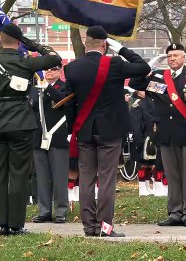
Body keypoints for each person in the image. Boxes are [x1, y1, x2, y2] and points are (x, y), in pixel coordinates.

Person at [65, 26, 149, 237]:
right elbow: (143, 66)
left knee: (86, 179)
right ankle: (104, 226)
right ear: (104, 44)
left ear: (86, 43)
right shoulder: (115, 64)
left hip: (84, 130)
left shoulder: (72, 68)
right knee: (107, 179)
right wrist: (121, 49)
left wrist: (71, 129)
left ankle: (89, 226)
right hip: (110, 130)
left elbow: (69, 103)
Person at [0, 23, 62, 236]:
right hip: (21, 122)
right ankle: (16, 223)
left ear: (0, 40)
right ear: (19, 41)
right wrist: (33, 44)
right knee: (18, 173)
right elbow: (55, 58)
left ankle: (2, 224)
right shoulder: (25, 62)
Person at [129, 43, 186, 228]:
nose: (172, 59)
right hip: (166, 133)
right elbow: (134, 84)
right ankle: (174, 212)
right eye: (169, 56)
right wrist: (148, 68)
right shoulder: (159, 76)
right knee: (171, 175)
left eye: (176, 55)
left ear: (183, 57)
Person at [31, 65, 70, 224]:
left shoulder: (65, 87)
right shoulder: (36, 89)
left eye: (53, 69)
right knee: (42, 177)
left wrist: (47, 88)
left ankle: (61, 211)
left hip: (57, 137)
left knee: (59, 176)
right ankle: (44, 211)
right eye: (46, 69)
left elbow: (62, 100)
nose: (49, 72)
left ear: (60, 71)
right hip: (39, 137)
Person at [129, 90, 155, 196]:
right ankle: (141, 186)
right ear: (138, 93)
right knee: (142, 163)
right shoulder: (137, 105)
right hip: (142, 136)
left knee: (150, 163)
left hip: (151, 136)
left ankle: (148, 185)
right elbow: (136, 125)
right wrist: (139, 140)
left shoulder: (152, 102)